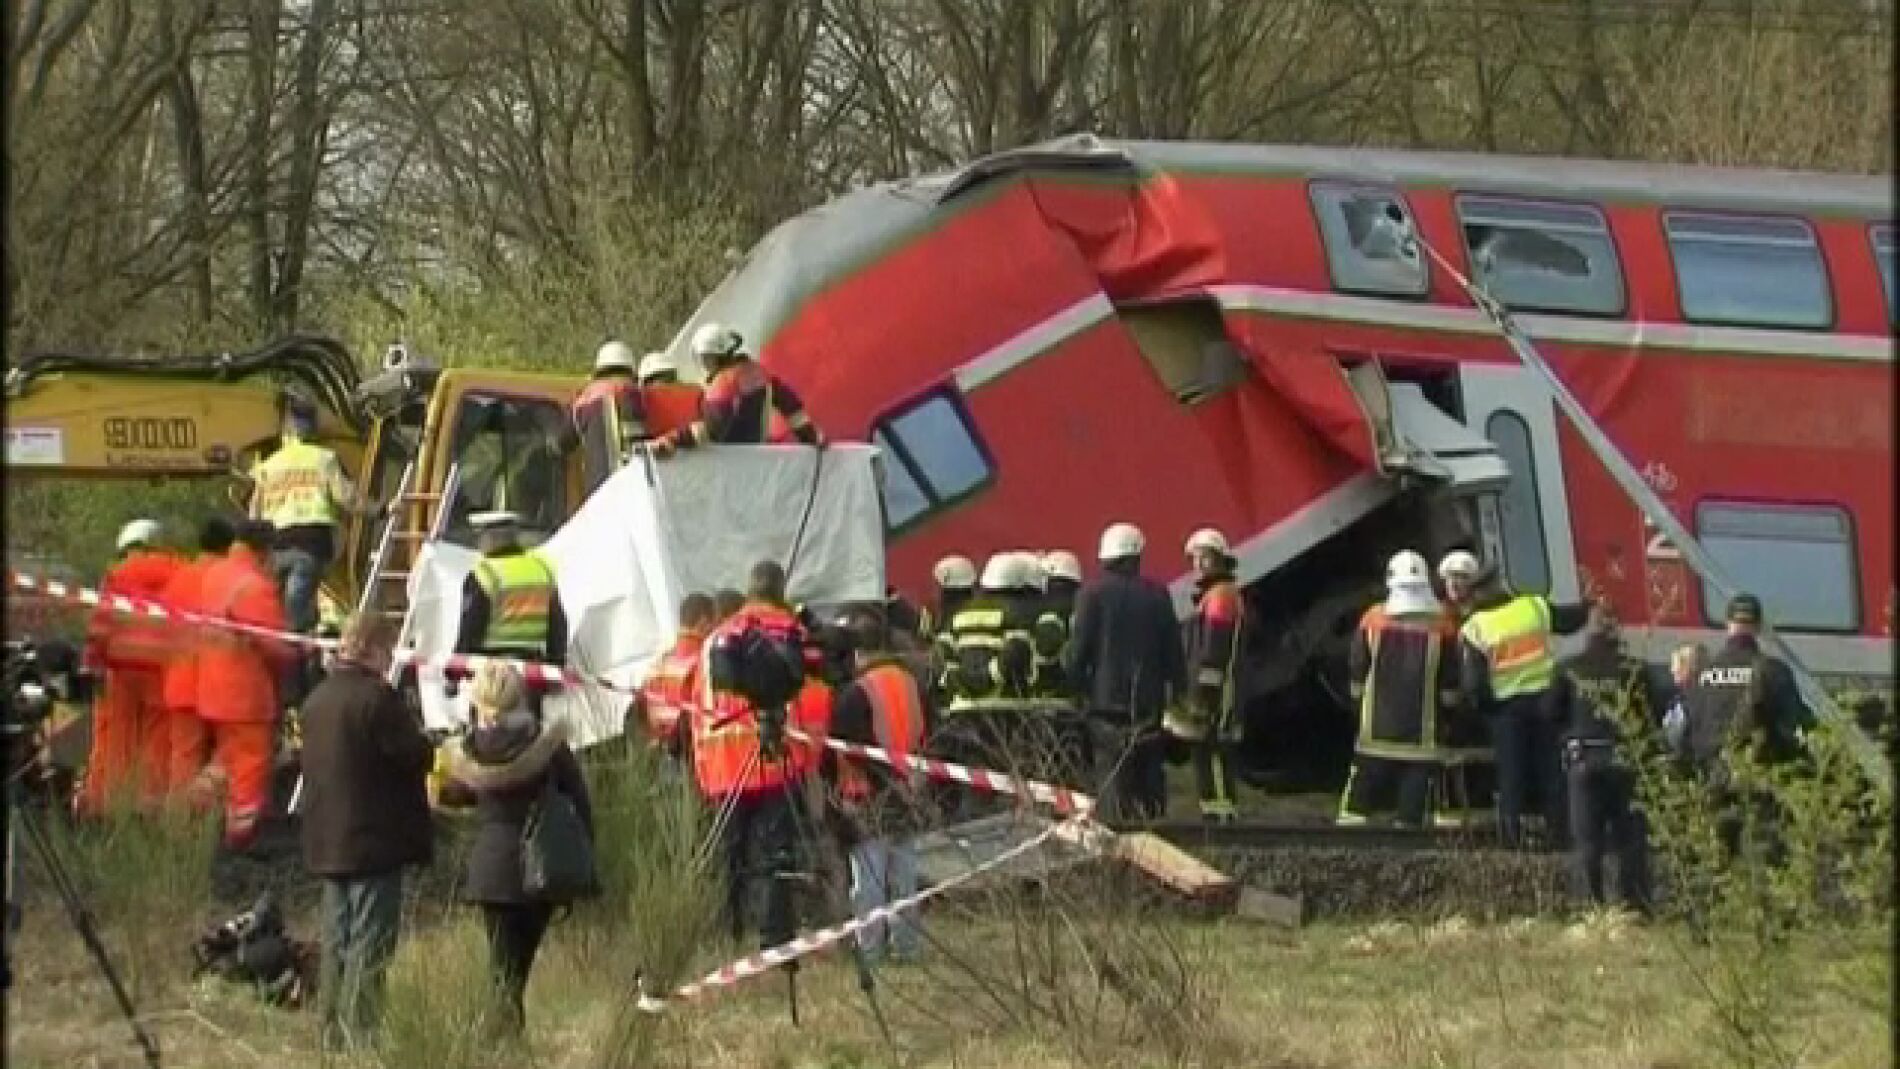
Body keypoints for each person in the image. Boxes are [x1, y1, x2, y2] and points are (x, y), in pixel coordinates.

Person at [298, 614, 434, 1049]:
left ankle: (331, 1033)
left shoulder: (315, 701)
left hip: (327, 837)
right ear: (374, 649)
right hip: (373, 839)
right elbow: (413, 755)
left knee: (336, 939)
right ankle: (364, 1033)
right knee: (370, 943)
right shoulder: (377, 700)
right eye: (389, 649)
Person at [440, 661, 593, 1040]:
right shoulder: (546, 746)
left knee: (501, 961)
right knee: (518, 963)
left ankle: (501, 1036)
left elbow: (455, 796)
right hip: (540, 863)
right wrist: (584, 852)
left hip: (491, 866)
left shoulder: (468, 749)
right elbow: (580, 800)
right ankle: (503, 1036)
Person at [692, 560, 812, 948]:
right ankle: (775, 940)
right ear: (780, 588)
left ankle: (724, 936)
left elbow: (696, 705)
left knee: (726, 859)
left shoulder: (717, 638)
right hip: (773, 763)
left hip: (721, 768)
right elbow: (803, 696)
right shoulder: (787, 628)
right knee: (774, 854)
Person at [1458, 559, 1598, 848]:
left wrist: (1485, 710)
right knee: (1551, 772)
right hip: (1546, 704)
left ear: (1476, 595)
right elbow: (1570, 621)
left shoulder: (1476, 628)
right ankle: (1560, 837)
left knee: (1512, 776)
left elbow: (1474, 684)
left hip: (1507, 711)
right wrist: (1587, 604)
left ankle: (1512, 840)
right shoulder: (1533, 607)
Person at [824, 606, 931, 963]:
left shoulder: (856, 693)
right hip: (910, 790)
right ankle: (908, 947)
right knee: (904, 875)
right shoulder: (911, 683)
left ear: (857, 653)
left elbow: (846, 750)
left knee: (869, 880)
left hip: (868, 797)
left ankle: (870, 950)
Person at [1065, 523, 1187, 821]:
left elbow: (1079, 650)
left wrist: (1073, 688)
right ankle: (1156, 831)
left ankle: (1118, 836)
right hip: (1148, 703)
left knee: (1112, 778)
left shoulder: (1090, 595)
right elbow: (1173, 650)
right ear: (1136, 555)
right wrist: (1179, 691)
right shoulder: (1158, 595)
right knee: (1149, 774)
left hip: (1104, 704)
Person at [1679, 593, 1815, 857]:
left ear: (1727, 624)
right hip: (1761, 779)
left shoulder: (1703, 675)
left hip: (1715, 779)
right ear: (1759, 626)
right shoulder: (1773, 671)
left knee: (1721, 860)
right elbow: (1800, 722)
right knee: (1765, 859)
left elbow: (1683, 728)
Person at [1338, 551, 1461, 828]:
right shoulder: (1442, 624)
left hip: (1376, 727)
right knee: (1413, 801)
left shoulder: (1373, 618)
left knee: (1358, 800)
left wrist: (1357, 703)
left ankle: (1350, 836)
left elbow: (1357, 665)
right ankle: (1406, 838)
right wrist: (1449, 716)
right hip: (1423, 732)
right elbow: (1450, 681)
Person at [197, 520, 295, 849]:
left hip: (210, 688)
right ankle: (243, 838)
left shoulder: (214, 575)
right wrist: (299, 654)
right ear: (264, 551)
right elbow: (275, 644)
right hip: (244, 693)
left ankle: (188, 820)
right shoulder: (253, 585)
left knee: (223, 761)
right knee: (251, 765)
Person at [1554, 613, 1656, 913]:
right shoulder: (1635, 670)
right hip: (1625, 758)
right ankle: (1635, 906)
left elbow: (1550, 711)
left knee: (1587, 838)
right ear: (1618, 635)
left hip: (1584, 759)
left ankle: (1589, 906)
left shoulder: (1568, 668)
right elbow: (1652, 714)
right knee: (1631, 839)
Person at [81, 519, 183, 815]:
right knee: (157, 736)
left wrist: (93, 660)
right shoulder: (178, 570)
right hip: (162, 668)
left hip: (120, 668)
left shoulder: (116, 576)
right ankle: (149, 808)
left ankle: (104, 807)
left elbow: (100, 624)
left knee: (113, 737)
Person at [248, 395, 370, 636]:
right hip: (311, 545)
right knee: (298, 617)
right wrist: (380, 510)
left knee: (281, 611)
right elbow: (347, 498)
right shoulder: (324, 459)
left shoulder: (268, 466)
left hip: (277, 548)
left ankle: (292, 657)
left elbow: (254, 513)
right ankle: (300, 663)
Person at [935, 553, 1039, 816]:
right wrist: (991, 678)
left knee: (973, 779)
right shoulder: (1016, 614)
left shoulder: (960, 615)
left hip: (963, 709)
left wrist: (956, 680)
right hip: (1004, 711)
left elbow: (941, 654)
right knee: (1008, 779)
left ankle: (969, 834)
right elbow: (1017, 653)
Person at [1168, 528, 1247, 824]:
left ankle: (1221, 818)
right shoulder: (1216, 595)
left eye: (1206, 557)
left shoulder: (1221, 597)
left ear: (1220, 560)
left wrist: (1204, 697)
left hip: (1218, 694)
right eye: (1196, 558)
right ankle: (1216, 813)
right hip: (1213, 690)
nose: (1199, 564)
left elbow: (1214, 650)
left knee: (1212, 751)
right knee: (1207, 752)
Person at [649, 322, 823, 454]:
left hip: (732, 466)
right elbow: (790, 405)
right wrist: (810, 436)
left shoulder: (722, 385)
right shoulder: (757, 373)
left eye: (705, 359)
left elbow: (711, 431)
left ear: (712, 357)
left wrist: (672, 440)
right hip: (762, 457)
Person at [455, 511, 567, 715]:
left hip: (491, 675)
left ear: (491, 539)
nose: (478, 543)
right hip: (530, 671)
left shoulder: (484, 574)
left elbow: (470, 627)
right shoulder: (542, 569)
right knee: (529, 733)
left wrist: (455, 672)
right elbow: (558, 625)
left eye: (480, 537)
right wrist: (555, 667)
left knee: (489, 730)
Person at [158, 516, 234, 807]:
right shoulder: (231, 578)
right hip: (221, 687)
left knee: (183, 761)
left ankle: (180, 838)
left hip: (180, 683)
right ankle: (212, 829)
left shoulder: (178, 578)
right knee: (229, 757)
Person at [636, 592, 714, 760]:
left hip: (661, 754)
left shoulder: (659, 663)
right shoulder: (702, 662)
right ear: (704, 623)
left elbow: (640, 705)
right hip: (692, 755)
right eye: (714, 625)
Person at [1034, 550, 1086, 787]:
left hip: (1051, 700)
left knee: (1054, 772)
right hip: (1083, 699)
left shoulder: (1046, 610)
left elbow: (1043, 653)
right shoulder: (1084, 605)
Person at [569, 340, 648, 496]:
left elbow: (562, 441)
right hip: (632, 484)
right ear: (631, 370)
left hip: (597, 489)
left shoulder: (583, 399)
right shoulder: (635, 395)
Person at [637, 349, 703, 440]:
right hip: (701, 448)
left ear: (645, 380)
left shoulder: (643, 397)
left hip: (662, 449)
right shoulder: (697, 391)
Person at [1437, 550, 1482, 620]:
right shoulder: (1439, 613)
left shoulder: (1482, 611)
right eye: (1448, 578)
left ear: (1470, 582)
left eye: (1458, 577)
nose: (1452, 583)